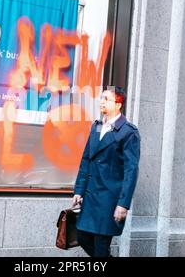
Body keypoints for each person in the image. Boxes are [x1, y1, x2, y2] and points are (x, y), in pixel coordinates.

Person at [72, 86, 141, 257]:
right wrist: (79, 190)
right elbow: (86, 159)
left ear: (118, 104)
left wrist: (123, 204)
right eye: (101, 98)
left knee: (101, 248)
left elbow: (131, 171)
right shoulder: (96, 127)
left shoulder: (128, 132)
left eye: (106, 99)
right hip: (90, 197)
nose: (101, 102)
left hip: (109, 200)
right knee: (81, 237)